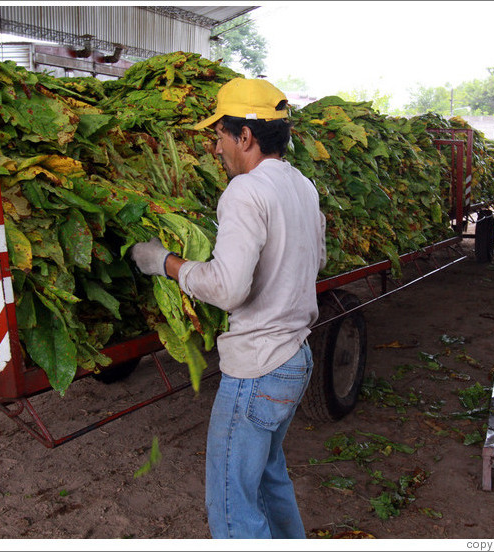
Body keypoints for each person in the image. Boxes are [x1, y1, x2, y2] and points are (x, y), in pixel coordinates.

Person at [131, 77, 327, 538]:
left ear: (245, 136)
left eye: (220, 135)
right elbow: (316, 260)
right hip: (295, 358)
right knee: (269, 479)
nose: (216, 148)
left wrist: (164, 262)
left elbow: (227, 288)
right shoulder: (303, 186)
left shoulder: (245, 191)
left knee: (231, 504)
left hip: (258, 370)